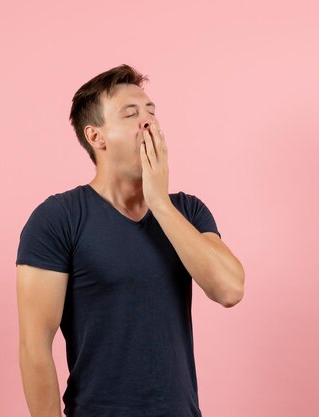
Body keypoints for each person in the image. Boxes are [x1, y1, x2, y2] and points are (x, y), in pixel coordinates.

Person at [16, 64, 245, 417]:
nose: (149, 122)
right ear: (96, 137)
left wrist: (160, 204)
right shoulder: (57, 218)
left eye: (151, 111)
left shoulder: (187, 210)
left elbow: (229, 289)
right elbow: (35, 345)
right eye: (131, 113)